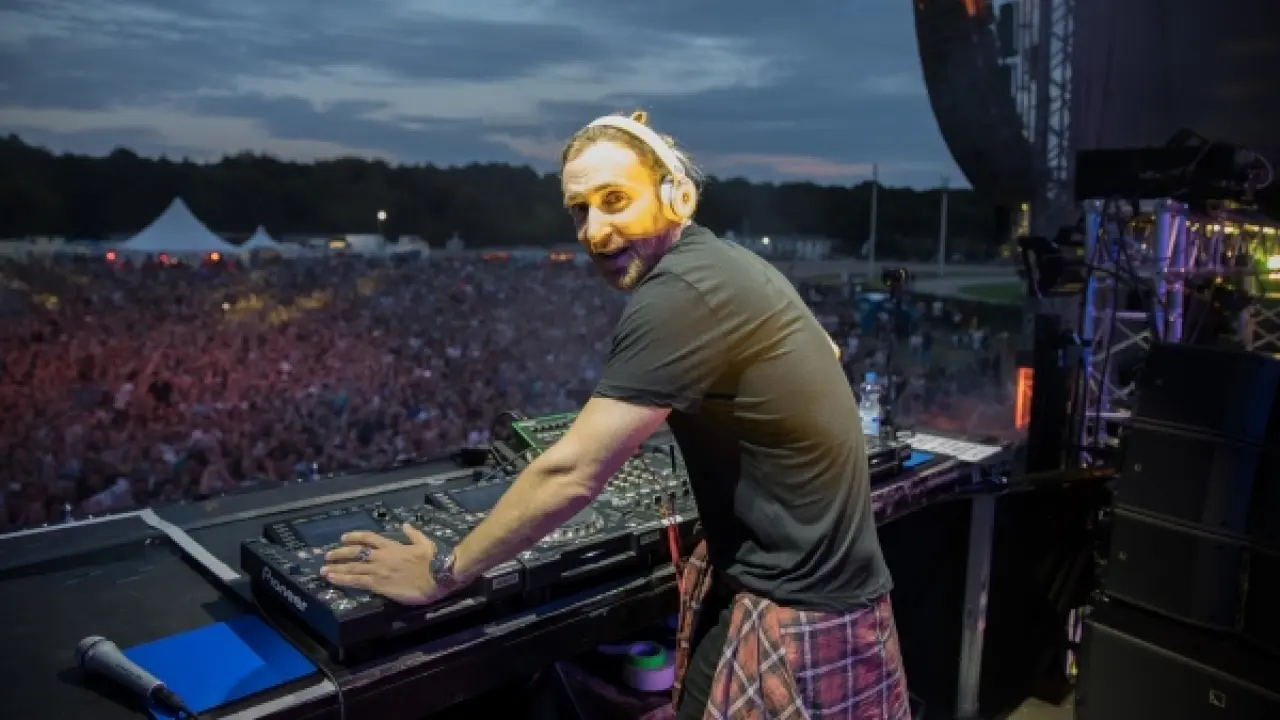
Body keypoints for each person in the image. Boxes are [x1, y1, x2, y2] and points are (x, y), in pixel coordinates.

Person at [320, 111, 911, 718]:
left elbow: (571, 474)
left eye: (615, 200)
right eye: (580, 210)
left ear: (677, 196)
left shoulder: (681, 291)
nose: (595, 231)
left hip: (799, 613)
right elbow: (825, 349)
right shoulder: (727, 263)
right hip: (804, 590)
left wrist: (441, 574)